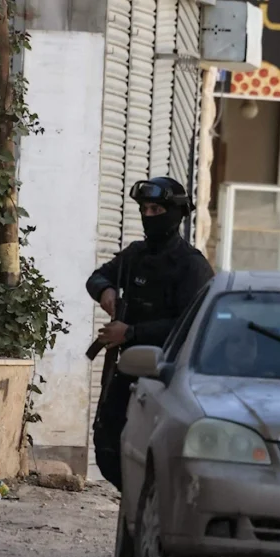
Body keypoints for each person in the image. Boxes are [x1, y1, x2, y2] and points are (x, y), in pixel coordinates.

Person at [86, 176, 214, 491]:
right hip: (128, 369)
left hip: (168, 376)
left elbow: (189, 325)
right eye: (144, 209)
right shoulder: (136, 255)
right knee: (108, 444)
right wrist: (105, 290)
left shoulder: (191, 266)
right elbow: (98, 277)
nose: (148, 216)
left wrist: (131, 332)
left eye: (156, 209)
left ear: (175, 213)